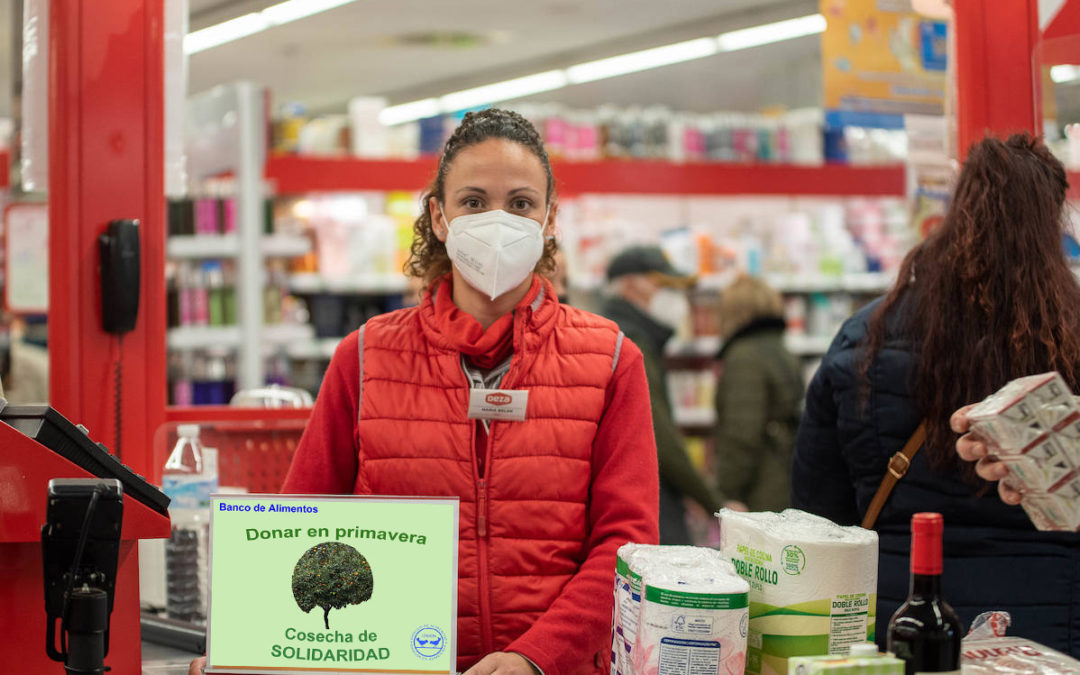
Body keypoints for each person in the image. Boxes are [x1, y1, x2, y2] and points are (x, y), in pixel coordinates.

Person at [182, 109, 659, 675]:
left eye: (522, 204)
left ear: (549, 219)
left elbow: (627, 545)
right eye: (474, 202)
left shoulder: (609, 360)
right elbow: (300, 525)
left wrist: (536, 658)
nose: (498, 221)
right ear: (438, 216)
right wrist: (251, 644)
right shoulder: (364, 358)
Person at [790, 133, 1080, 655]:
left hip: (902, 618)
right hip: (1054, 620)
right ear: (1054, 220)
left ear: (956, 207)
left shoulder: (867, 337)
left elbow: (816, 514)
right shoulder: (1070, 338)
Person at [600, 246, 741, 545]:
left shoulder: (627, 334)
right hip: (640, 503)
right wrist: (713, 501)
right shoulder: (630, 342)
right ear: (628, 285)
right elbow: (658, 435)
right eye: (662, 286)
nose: (674, 298)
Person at [712, 275, 802, 512]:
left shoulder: (744, 357)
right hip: (787, 474)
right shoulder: (781, 350)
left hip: (760, 487)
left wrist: (727, 492)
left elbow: (741, 432)